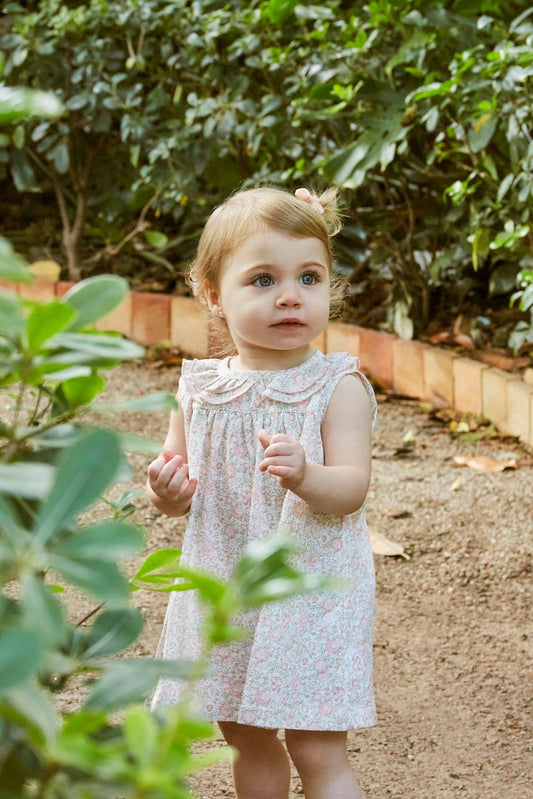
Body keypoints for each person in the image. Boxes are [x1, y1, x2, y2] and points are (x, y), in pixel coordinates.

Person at [146, 186, 377, 799]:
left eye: (309, 276)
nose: (290, 296)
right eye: (263, 280)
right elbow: (182, 483)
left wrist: (306, 475)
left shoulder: (337, 387)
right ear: (214, 295)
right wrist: (167, 491)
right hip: (225, 583)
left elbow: (352, 490)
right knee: (245, 731)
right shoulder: (199, 389)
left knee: (315, 742)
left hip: (310, 589)